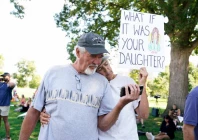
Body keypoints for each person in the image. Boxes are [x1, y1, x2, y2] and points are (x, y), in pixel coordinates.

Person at [19, 32, 141, 140]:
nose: (97, 62)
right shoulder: (54, 73)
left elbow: (104, 126)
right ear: (78, 52)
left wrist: (121, 104)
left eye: (100, 57)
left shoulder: (102, 83)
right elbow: (34, 112)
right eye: (93, 56)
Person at [40, 55, 149, 139]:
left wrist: (142, 84)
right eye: (101, 68)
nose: (107, 70)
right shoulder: (90, 86)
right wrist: (47, 112)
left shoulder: (127, 81)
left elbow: (143, 115)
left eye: (106, 64)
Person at [0, 72, 16, 140]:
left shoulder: (9, 84)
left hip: (5, 105)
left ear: (8, 76)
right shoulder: (1, 84)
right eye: (3, 76)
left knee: (5, 121)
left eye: (4, 76)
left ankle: (8, 137)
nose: (3, 77)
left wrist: (9, 79)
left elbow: (12, 84)